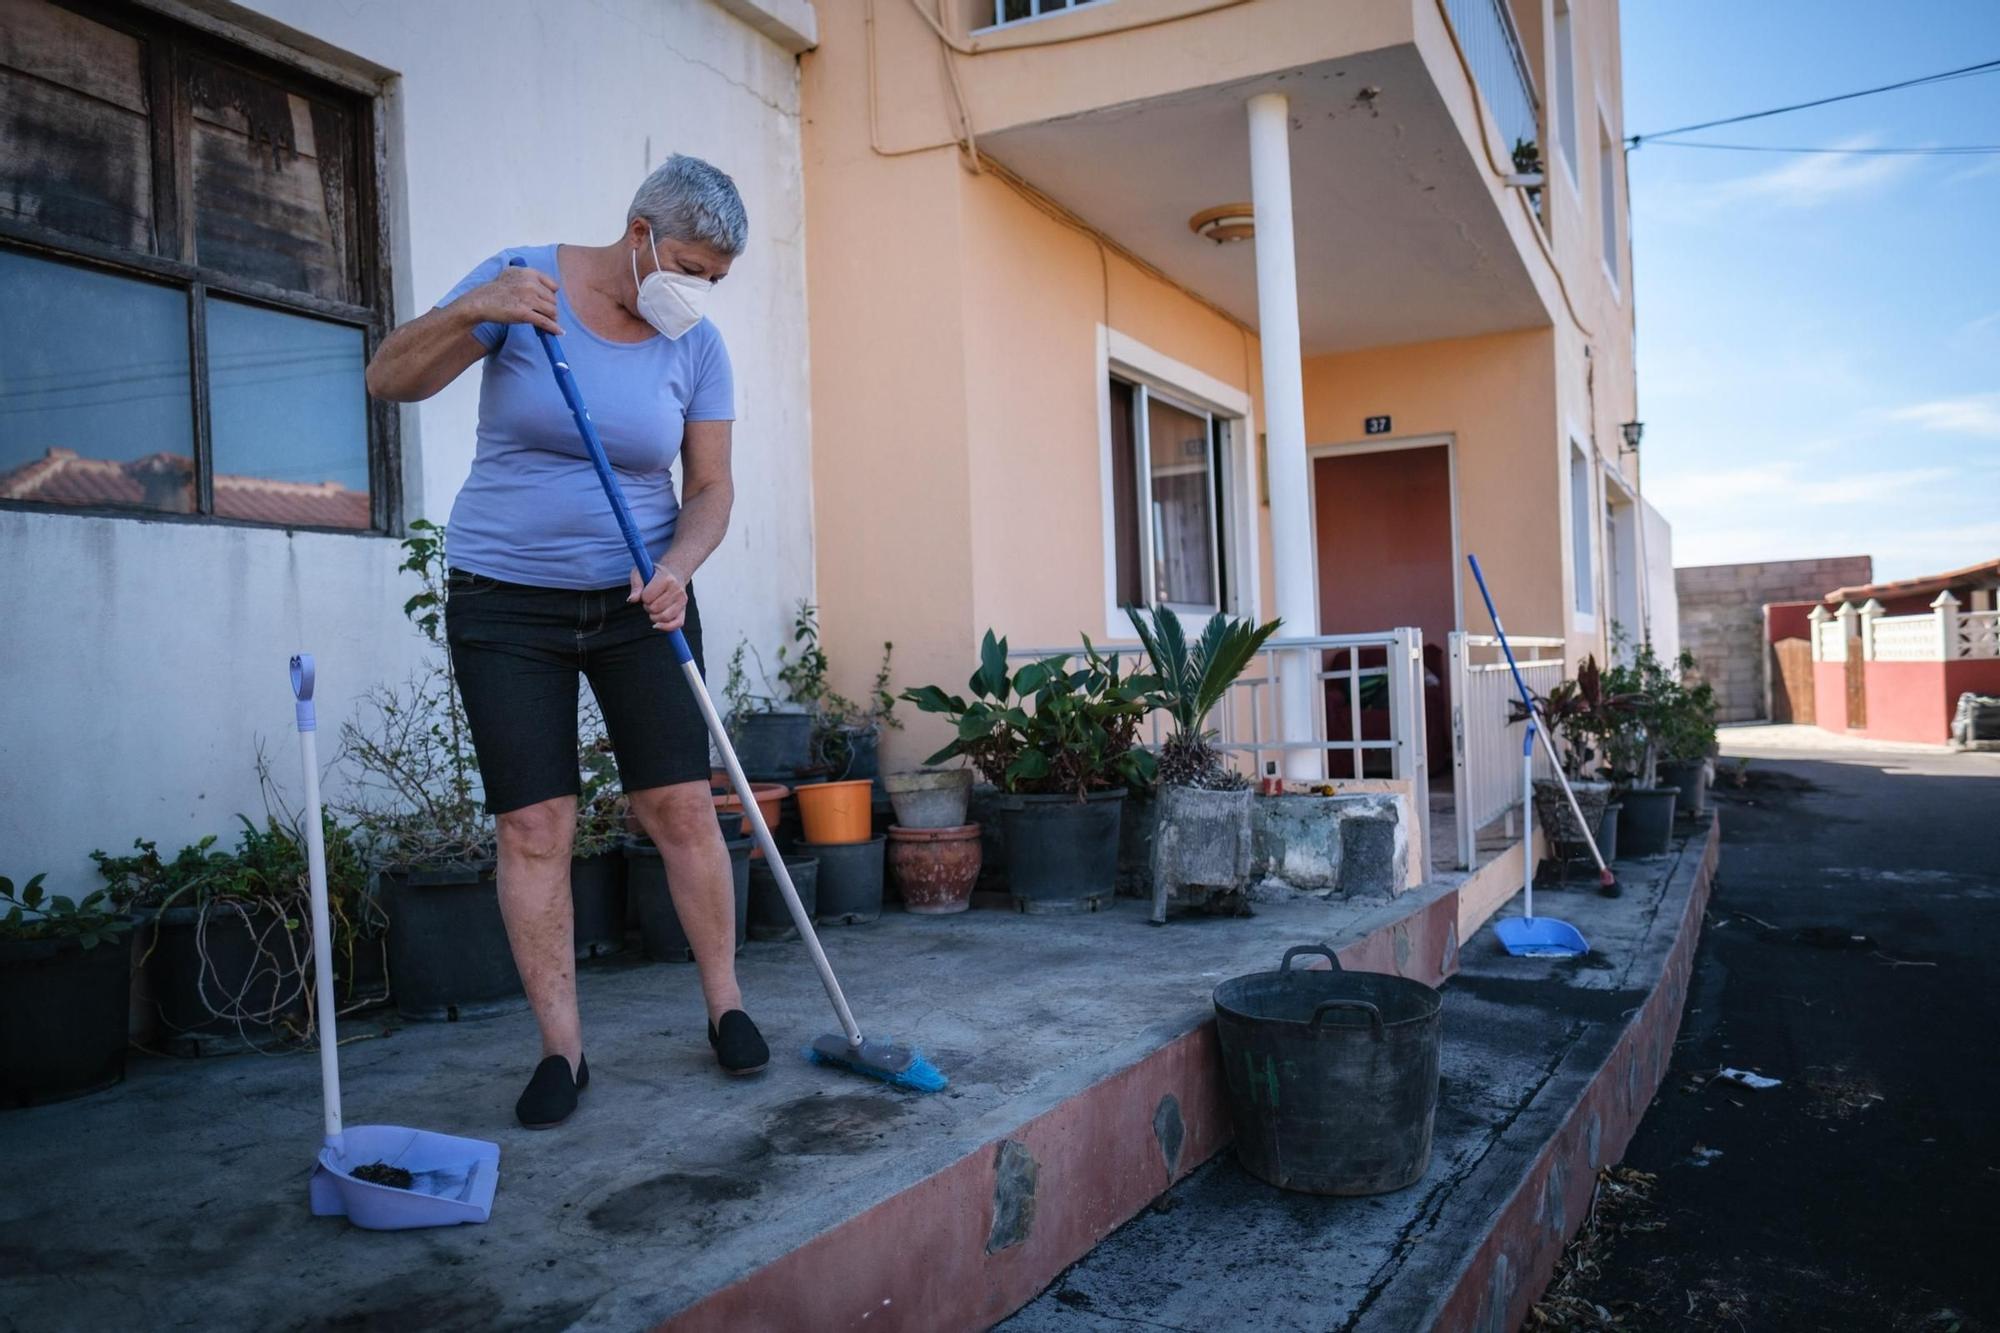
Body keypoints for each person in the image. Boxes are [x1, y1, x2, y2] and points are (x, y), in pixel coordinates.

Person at [365, 154, 767, 1129]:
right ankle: (562, 1049)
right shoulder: (523, 283)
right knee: (533, 824)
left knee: (679, 805)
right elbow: (389, 378)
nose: (699, 291)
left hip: (643, 600)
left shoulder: (695, 346)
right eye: (689, 266)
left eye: (716, 278)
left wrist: (678, 566)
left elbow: (708, 488)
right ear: (639, 233)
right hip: (506, 601)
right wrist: (473, 311)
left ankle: (725, 1004)